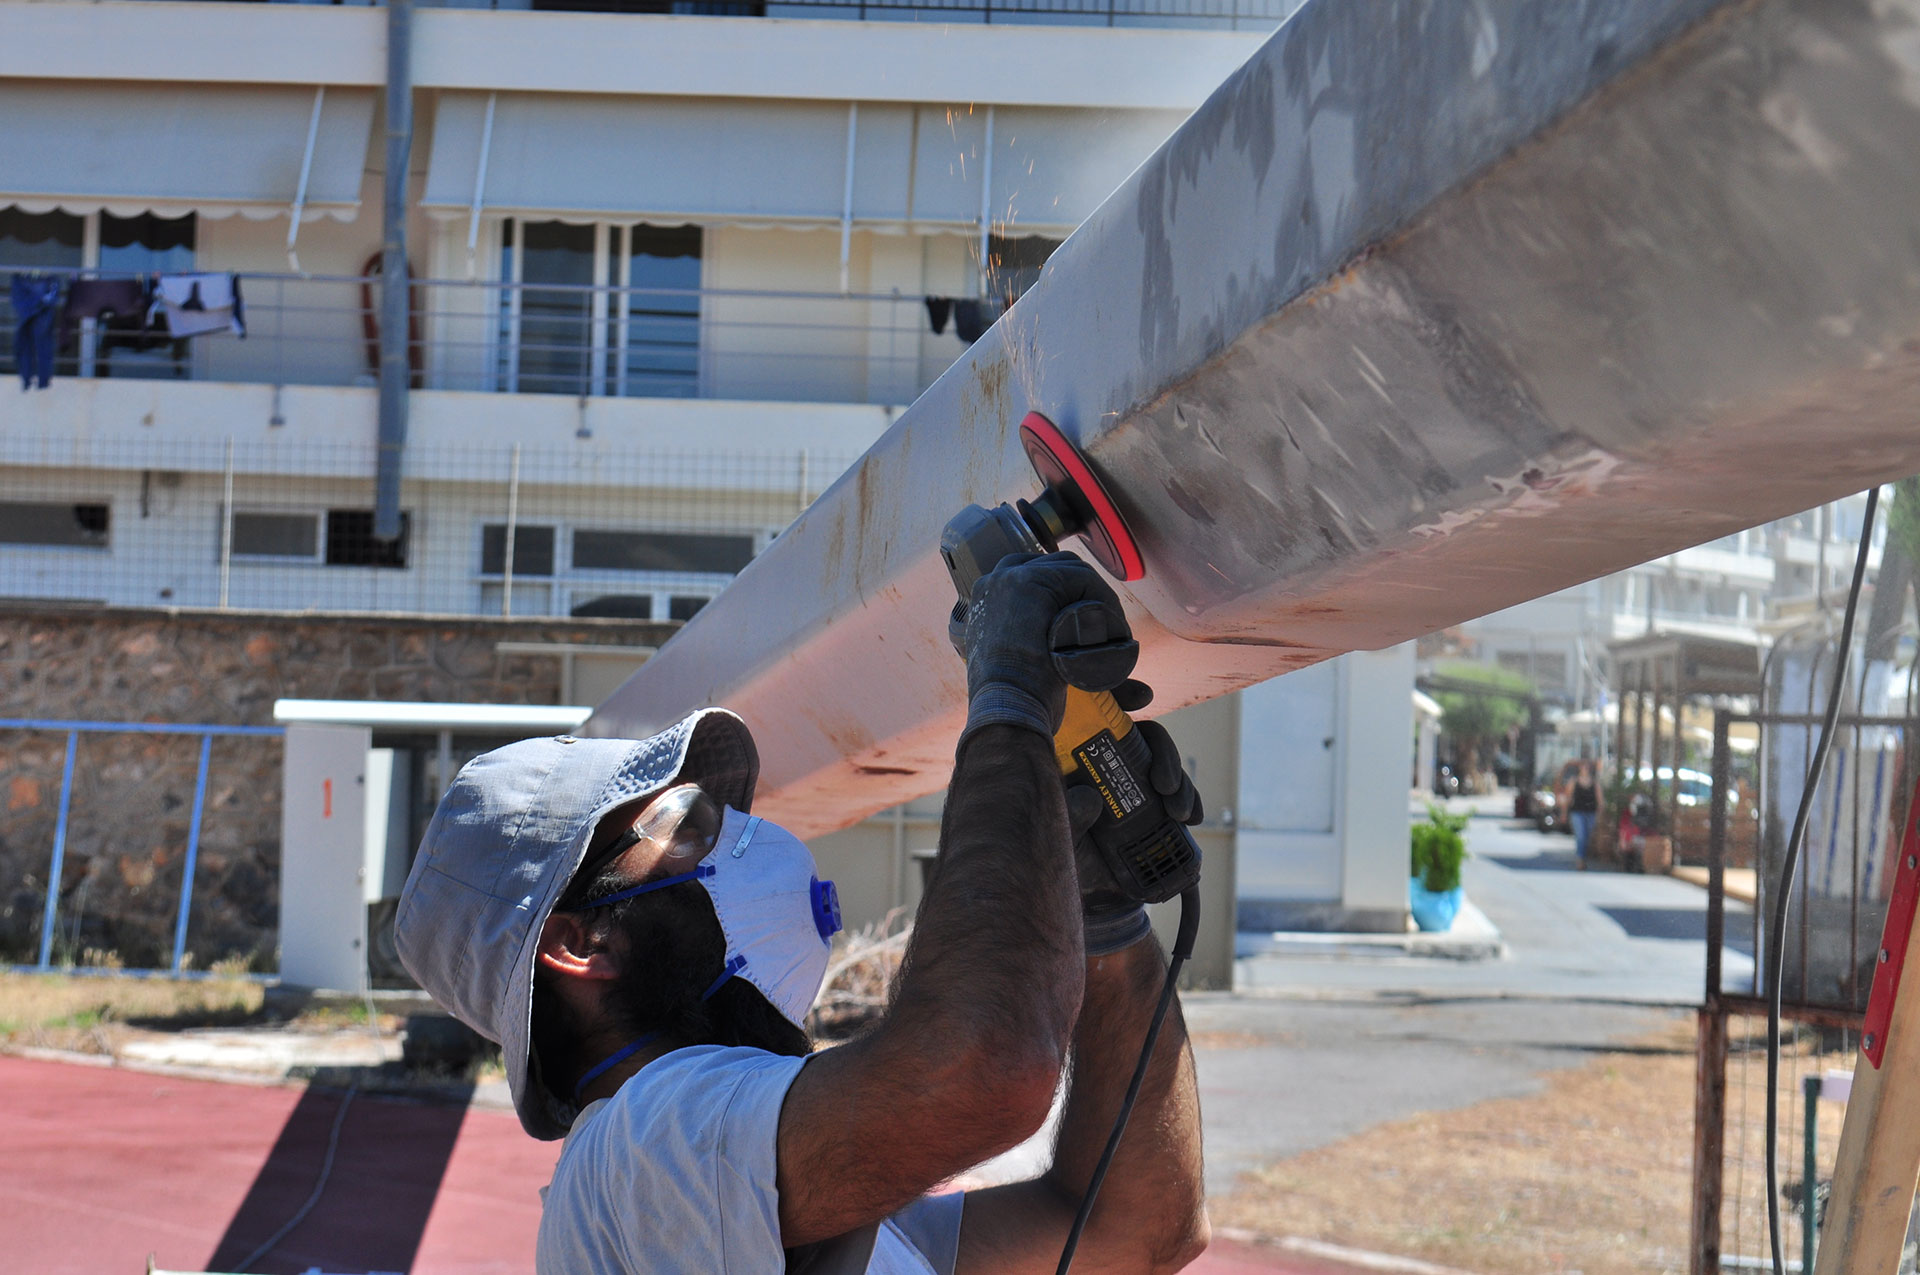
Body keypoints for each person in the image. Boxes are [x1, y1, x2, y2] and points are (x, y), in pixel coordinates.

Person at [394, 550, 1210, 1274]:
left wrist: (1102, 917)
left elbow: (1133, 1236)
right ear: (583, 943)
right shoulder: (639, 1149)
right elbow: (986, 1068)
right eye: (685, 822)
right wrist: (1008, 709)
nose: (738, 836)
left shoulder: (740, 1188)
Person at [1567, 761, 1600, 868]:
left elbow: (1600, 799)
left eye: (1587, 767)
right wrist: (1564, 813)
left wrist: (1600, 814)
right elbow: (1569, 798)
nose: (1585, 769)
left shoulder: (1594, 782)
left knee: (1587, 836)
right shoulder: (1574, 781)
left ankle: (1583, 857)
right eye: (1583, 767)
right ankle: (1580, 859)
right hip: (1577, 812)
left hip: (1591, 812)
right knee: (1580, 835)